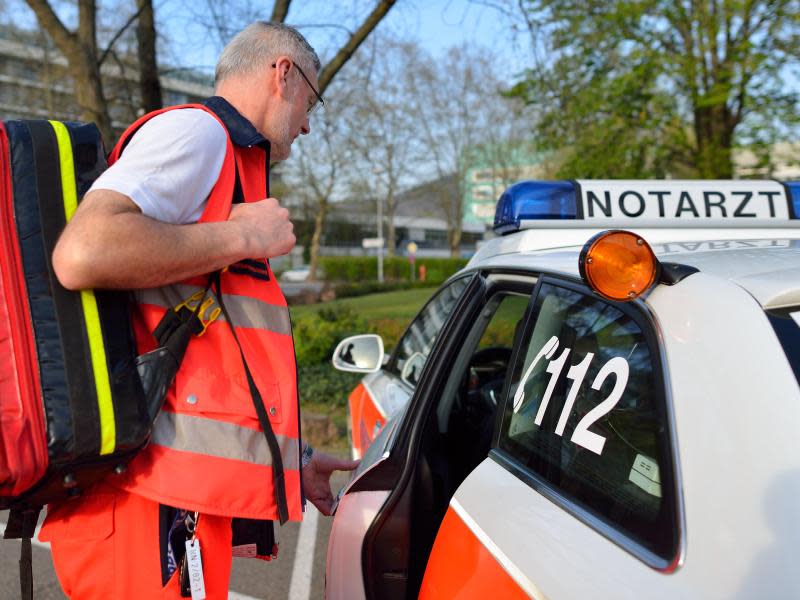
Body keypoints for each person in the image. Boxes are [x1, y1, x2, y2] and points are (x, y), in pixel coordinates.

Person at [40, 22, 358, 599]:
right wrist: (240, 239)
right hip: (143, 507)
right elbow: (83, 253)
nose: (308, 123)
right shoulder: (198, 135)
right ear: (283, 75)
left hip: (166, 505)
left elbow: (210, 364)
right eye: (311, 101)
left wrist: (295, 457)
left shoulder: (226, 162)